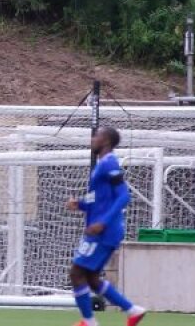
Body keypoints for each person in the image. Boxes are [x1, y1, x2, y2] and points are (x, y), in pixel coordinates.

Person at [66, 127, 147, 326]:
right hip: (103, 228)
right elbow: (100, 199)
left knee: (76, 272)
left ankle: (89, 321)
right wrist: (81, 204)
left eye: (97, 135)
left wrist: (102, 222)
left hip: (103, 230)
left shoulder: (109, 163)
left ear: (107, 141)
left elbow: (124, 195)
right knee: (92, 278)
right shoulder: (102, 165)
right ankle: (133, 310)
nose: (93, 139)